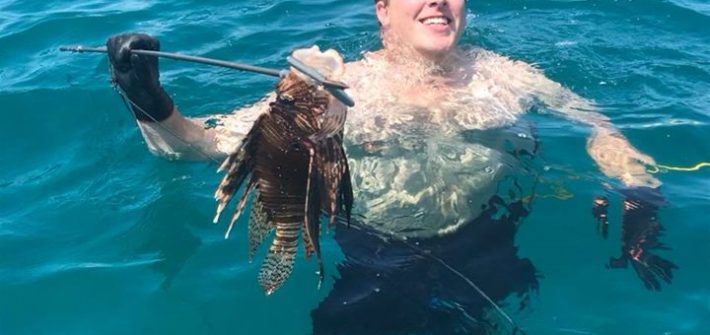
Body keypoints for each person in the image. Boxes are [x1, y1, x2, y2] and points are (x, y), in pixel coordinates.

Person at [106, 0, 676, 333]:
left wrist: (636, 194)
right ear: (383, 10)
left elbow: (601, 129)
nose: (436, 0)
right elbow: (197, 148)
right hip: (377, 256)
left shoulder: (510, 76)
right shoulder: (333, 87)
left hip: (491, 241)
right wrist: (147, 100)